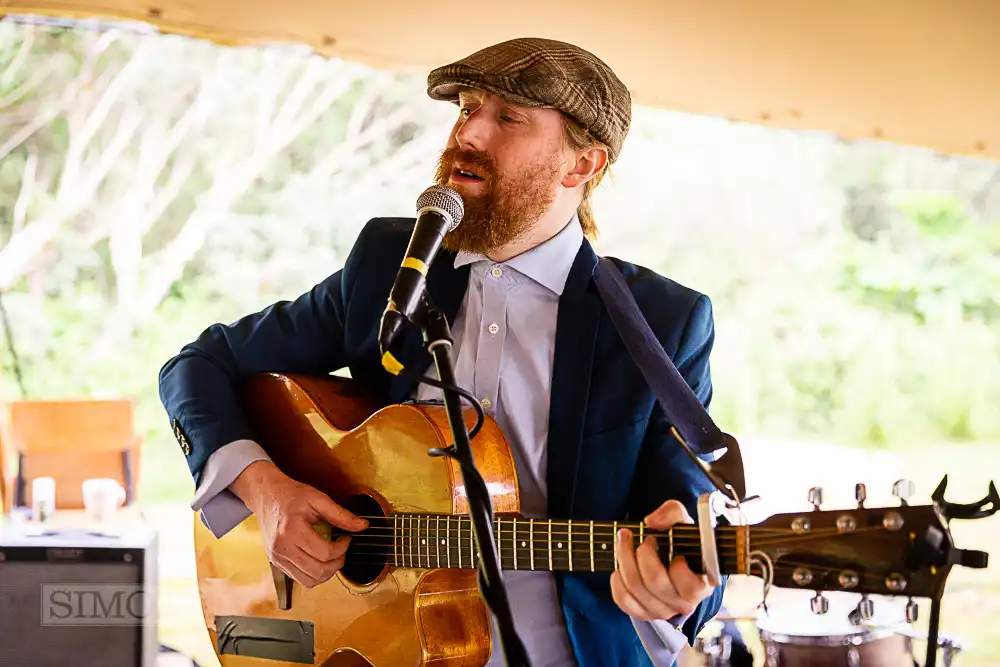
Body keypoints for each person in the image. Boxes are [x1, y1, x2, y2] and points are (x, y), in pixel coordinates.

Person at [159, 37, 726, 666]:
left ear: (581, 165)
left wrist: (676, 590)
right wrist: (266, 491)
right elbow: (196, 366)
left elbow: (686, 521)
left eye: (508, 118)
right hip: (381, 645)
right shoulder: (387, 265)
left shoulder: (662, 321)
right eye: (467, 107)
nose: (469, 134)